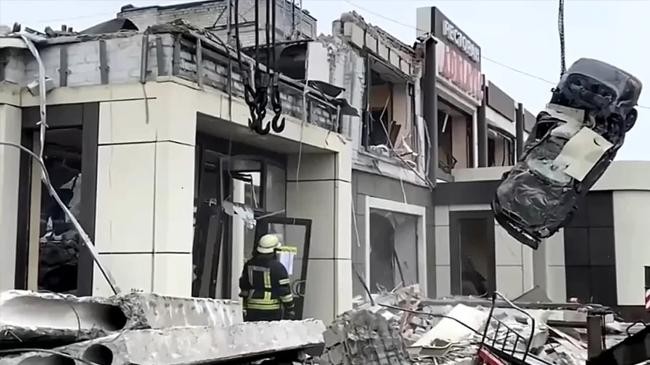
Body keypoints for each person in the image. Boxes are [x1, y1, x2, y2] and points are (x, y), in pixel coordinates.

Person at [239, 234, 296, 321]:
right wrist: (290, 308)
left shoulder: (249, 264)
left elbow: (244, 285)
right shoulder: (278, 267)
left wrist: (245, 305)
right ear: (274, 250)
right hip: (271, 309)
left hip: (252, 308)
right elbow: (284, 291)